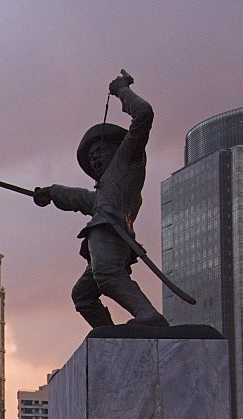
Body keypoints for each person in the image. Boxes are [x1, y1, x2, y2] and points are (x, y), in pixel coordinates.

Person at [33, 70, 168, 329]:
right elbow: (83, 198)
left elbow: (144, 114)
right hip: (107, 230)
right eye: (91, 156)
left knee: (107, 274)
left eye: (99, 151)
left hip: (111, 231)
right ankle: (108, 334)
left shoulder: (126, 160)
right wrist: (50, 192)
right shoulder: (107, 189)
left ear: (117, 149)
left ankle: (148, 315)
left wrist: (121, 90)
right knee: (83, 295)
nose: (94, 159)